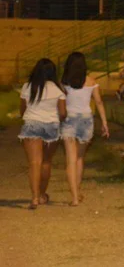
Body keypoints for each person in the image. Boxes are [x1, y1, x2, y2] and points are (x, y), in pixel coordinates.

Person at [60, 52, 109, 206]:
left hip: (69, 121)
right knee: (80, 158)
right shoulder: (91, 81)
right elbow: (99, 102)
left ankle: (75, 197)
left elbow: (59, 103)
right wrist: (104, 123)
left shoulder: (63, 83)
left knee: (71, 160)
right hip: (86, 121)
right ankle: (78, 191)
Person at [19, 58, 66, 209]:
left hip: (32, 125)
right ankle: (41, 194)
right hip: (51, 126)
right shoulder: (58, 90)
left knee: (34, 163)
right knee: (46, 162)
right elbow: (63, 113)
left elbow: (22, 110)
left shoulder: (28, 87)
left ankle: (34, 198)